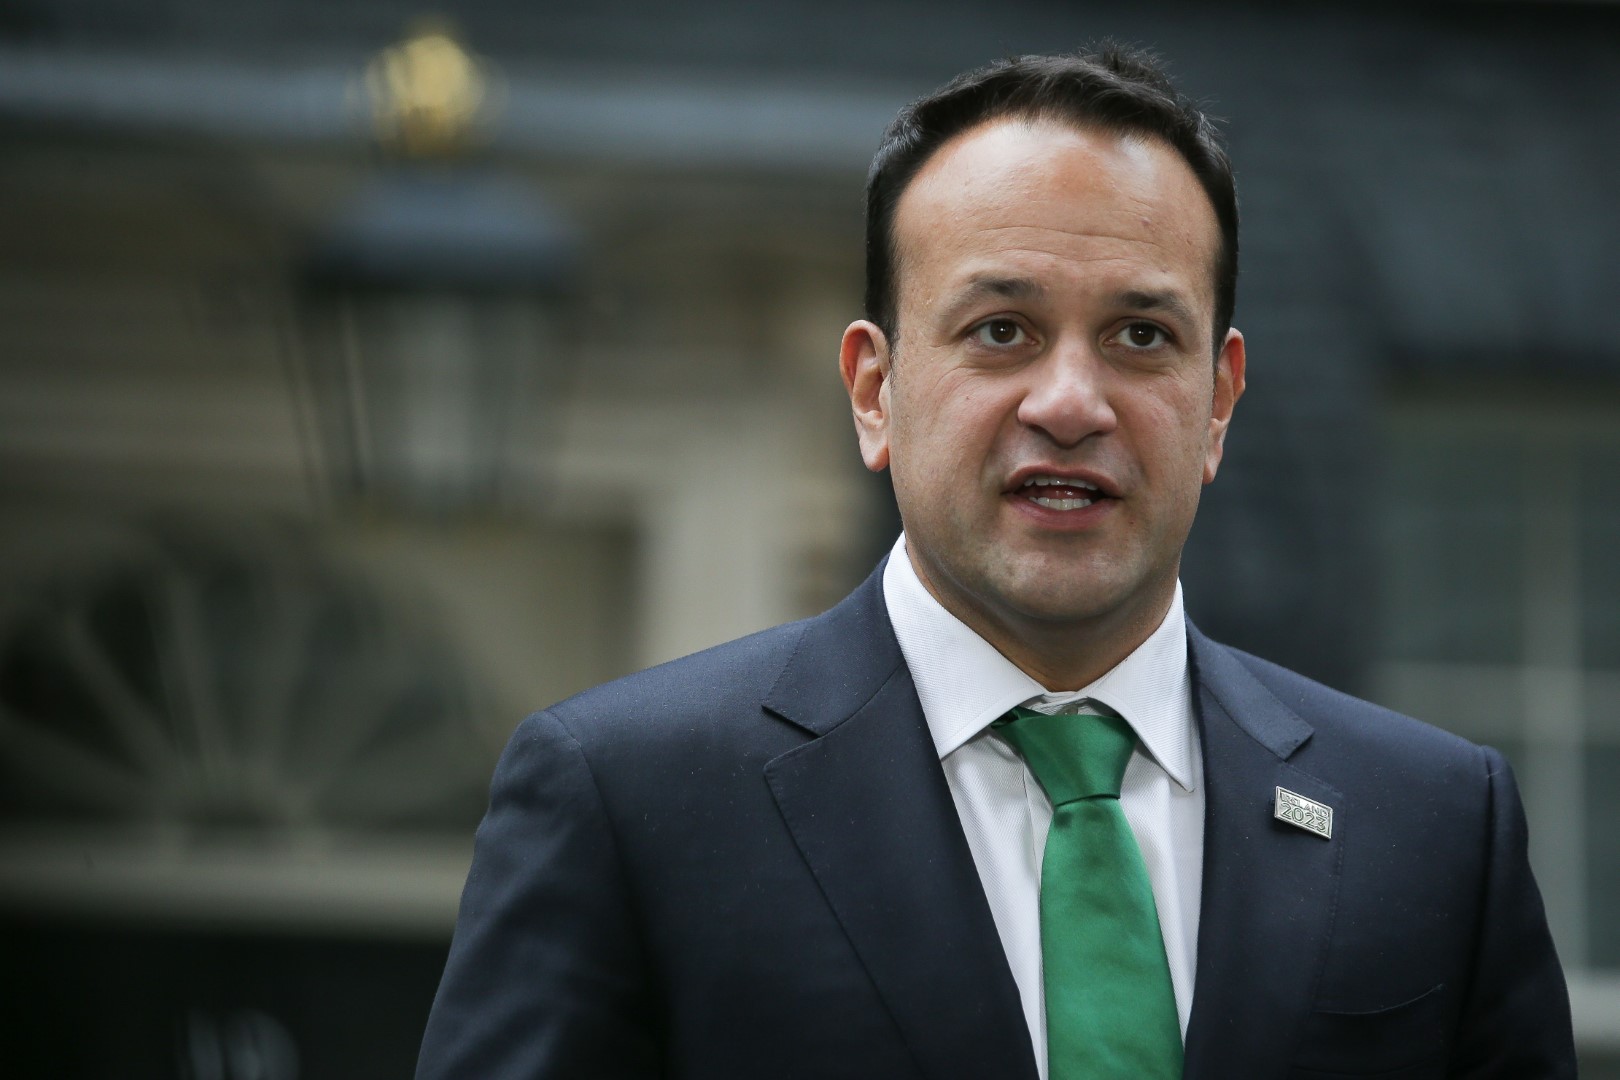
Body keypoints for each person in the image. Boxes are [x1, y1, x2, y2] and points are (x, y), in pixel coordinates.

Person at [415, 46, 1575, 1079]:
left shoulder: (1432, 830)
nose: (1070, 403)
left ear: (1219, 402)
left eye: (1141, 336)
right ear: (875, 392)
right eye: (1001, 331)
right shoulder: (630, 803)